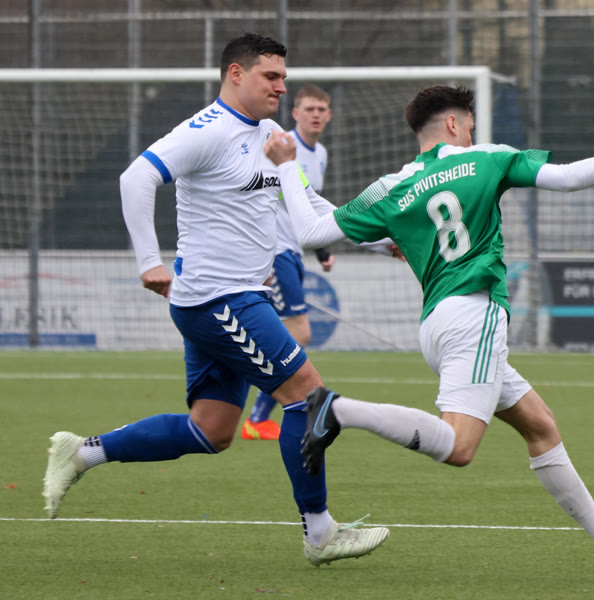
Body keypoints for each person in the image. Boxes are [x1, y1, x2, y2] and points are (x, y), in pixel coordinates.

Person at [263, 85, 594, 573]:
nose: (473, 134)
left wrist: (287, 167)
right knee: (459, 448)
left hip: (437, 326)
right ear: (454, 124)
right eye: (471, 126)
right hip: (475, 318)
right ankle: (338, 410)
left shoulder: (392, 185)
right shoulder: (485, 159)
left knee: (539, 424)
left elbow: (312, 231)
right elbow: (567, 178)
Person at [41, 33, 389, 567]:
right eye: (270, 76)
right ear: (235, 74)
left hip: (228, 299)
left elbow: (309, 202)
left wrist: (380, 240)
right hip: (219, 299)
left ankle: (83, 452)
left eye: (283, 77)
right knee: (308, 397)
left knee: (212, 430)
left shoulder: (271, 134)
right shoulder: (206, 130)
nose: (281, 86)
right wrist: (148, 261)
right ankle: (320, 532)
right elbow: (136, 177)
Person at [241, 85, 336, 441]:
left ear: (329, 115)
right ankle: (257, 417)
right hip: (276, 252)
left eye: (321, 109)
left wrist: (322, 252)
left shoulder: (320, 154)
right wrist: (260, 255)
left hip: (294, 252)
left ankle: (258, 411)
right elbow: (260, 199)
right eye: (309, 109)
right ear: (295, 113)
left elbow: (306, 205)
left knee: (288, 333)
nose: (316, 115)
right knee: (299, 332)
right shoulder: (279, 146)